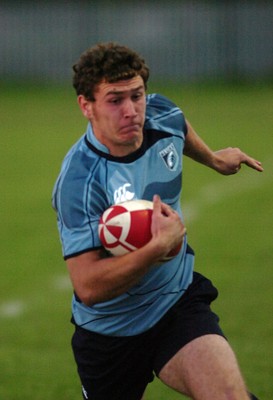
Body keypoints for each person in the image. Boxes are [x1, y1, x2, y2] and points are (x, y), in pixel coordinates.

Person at [52, 42, 263, 400]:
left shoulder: (161, 113)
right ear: (86, 106)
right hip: (109, 332)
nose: (131, 110)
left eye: (137, 95)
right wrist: (157, 248)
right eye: (115, 100)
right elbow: (87, 287)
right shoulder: (79, 182)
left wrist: (213, 159)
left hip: (175, 303)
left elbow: (177, 124)